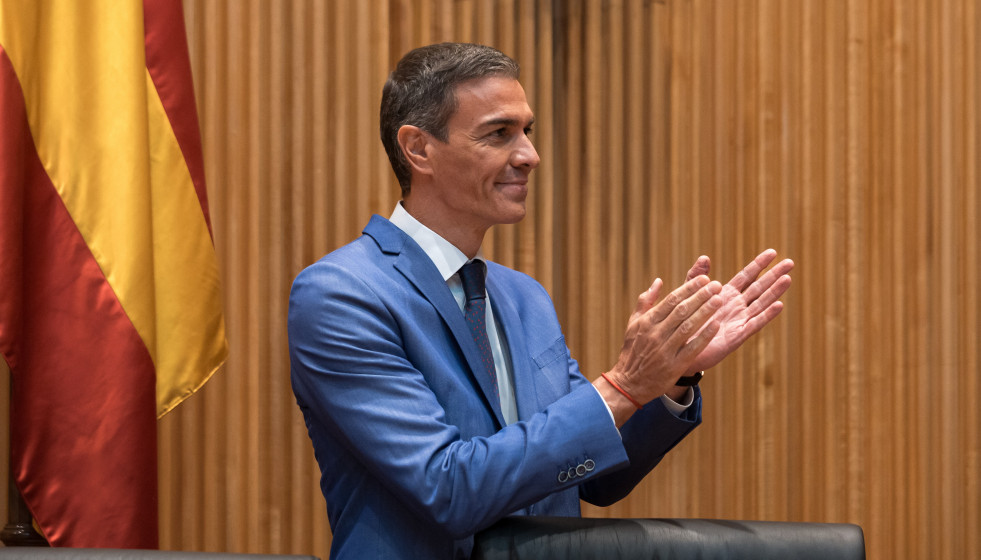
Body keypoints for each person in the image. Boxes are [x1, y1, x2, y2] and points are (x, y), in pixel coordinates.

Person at [288, 42, 793, 560]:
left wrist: (670, 379)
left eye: (527, 131)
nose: (529, 155)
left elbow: (597, 475)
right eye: (499, 133)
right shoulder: (341, 295)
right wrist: (622, 386)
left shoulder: (524, 297)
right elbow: (449, 489)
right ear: (419, 149)